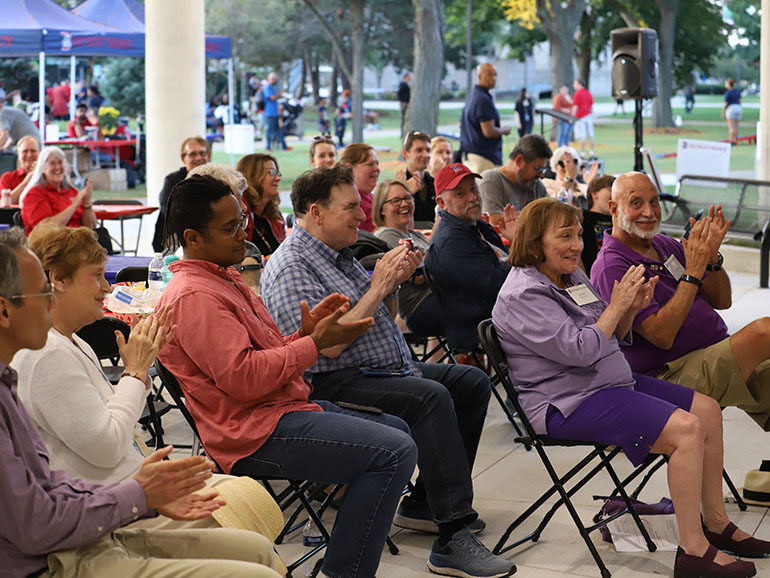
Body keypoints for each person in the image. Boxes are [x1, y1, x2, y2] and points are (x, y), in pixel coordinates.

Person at [156, 174, 417, 578]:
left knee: (397, 429)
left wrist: (307, 334)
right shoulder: (194, 295)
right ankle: (344, 571)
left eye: (242, 220)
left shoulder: (221, 276)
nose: (244, 234)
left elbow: (265, 354)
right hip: (251, 432)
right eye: (230, 228)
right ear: (192, 237)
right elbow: (244, 378)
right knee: (393, 451)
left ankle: (346, 554)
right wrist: (313, 344)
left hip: (279, 408)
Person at [261, 166, 515, 578]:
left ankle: (424, 503)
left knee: (470, 382)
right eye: (350, 207)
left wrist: (391, 284)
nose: (361, 216)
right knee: (429, 397)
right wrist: (378, 286)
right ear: (316, 212)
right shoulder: (293, 266)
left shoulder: (337, 253)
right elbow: (323, 347)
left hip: (379, 369)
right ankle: (452, 535)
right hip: (331, 380)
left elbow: (381, 318)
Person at [494, 196, 768, 578]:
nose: (577, 245)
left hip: (609, 383)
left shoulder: (569, 275)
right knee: (687, 432)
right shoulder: (523, 294)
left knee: (705, 409)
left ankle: (716, 523)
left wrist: (629, 311)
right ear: (535, 241)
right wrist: (615, 306)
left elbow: (615, 337)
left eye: (577, 234)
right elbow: (583, 350)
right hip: (568, 403)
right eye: (565, 237)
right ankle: (692, 551)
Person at [0, 228, 289, 578]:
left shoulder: (41, 361)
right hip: (56, 555)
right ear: (5, 310)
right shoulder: (44, 356)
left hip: (88, 523)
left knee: (255, 547)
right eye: (41, 290)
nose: (107, 287)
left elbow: (50, 483)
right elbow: (44, 514)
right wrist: (135, 374)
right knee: (257, 559)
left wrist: (144, 493)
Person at [591, 171, 770, 432]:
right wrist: (693, 273)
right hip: (669, 375)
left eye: (654, 202)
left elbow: (723, 301)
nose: (649, 212)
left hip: (716, 355)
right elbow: (662, 336)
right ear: (613, 208)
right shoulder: (612, 265)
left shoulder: (664, 245)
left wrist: (712, 261)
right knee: (764, 332)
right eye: (636, 203)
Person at [424, 163, 517, 353]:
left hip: (508, 312)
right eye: (460, 194)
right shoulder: (451, 242)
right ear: (442, 203)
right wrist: (523, 249)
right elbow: (499, 286)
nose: (472, 197)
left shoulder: (477, 227)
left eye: (474, 189)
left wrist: (517, 246)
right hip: (486, 326)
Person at [373, 179, 443, 336]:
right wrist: (436, 239)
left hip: (439, 296)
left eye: (407, 198)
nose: (404, 204)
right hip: (420, 307)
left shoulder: (415, 235)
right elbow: (417, 276)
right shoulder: (385, 236)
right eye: (396, 201)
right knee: (480, 306)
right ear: (381, 209)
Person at [478, 133, 551, 229]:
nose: (541, 175)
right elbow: (494, 221)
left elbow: (552, 215)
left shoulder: (536, 184)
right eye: (537, 168)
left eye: (543, 170)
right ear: (519, 161)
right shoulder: (490, 180)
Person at [152, 136, 210, 253]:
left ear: (208, 156)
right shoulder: (173, 181)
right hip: (176, 236)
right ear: (184, 158)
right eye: (193, 154)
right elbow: (171, 212)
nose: (198, 158)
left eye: (202, 153)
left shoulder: (215, 179)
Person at [20, 147, 96, 234]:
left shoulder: (72, 191)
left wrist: (87, 203)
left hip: (78, 241)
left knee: (102, 234)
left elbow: (91, 228)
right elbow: (45, 230)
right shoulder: (35, 194)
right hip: (52, 244)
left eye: (60, 162)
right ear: (42, 169)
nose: (58, 167)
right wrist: (74, 205)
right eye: (52, 163)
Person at [460, 63, 511, 174]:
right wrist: (504, 130)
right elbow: (489, 131)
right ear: (479, 76)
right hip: (484, 158)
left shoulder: (472, 95)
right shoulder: (483, 99)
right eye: (489, 75)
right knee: (489, 190)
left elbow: (461, 124)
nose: (494, 78)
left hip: (470, 155)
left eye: (495, 75)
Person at [235, 153, 286, 256]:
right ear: (253, 176)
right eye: (271, 173)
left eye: (278, 173)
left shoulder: (275, 216)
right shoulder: (240, 214)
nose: (278, 178)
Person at [337, 143, 380, 233]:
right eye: (370, 164)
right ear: (350, 169)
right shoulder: (352, 204)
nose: (377, 168)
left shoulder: (370, 197)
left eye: (377, 163)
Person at [396, 130, 436, 223]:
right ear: (405, 153)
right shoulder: (398, 187)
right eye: (419, 150)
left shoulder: (436, 184)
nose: (426, 155)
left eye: (428, 150)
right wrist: (406, 194)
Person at [580, 174, 614, 273]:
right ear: (594, 194)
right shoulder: (583, 218)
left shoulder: (620, 220)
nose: (615, 195)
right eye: (610, 190)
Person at [0, 135, 39, 204]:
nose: (29, 155)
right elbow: (3, 204)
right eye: (25, 151)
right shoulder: (7, 178)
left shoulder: (48, 177)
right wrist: (27, 181)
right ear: (18, 155)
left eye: (33, 151)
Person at [263, 72, 290, 152]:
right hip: (269, 113)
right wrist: (281, 94)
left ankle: (284, 146)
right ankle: (268, 147)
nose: (276, 81)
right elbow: (271, 97)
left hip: (274, 112)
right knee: (269, 131)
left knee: (279, 130)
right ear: (272, 79)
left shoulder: (272, 87)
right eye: (276, 80)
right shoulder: (267, 87)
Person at [571, 78, 594, 158]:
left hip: (580, 117)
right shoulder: (588, 93)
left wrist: (572, 117)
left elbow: (575, 107)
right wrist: (591, 115)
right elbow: (591, 106)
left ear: (579, 84)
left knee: (582, 135)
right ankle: (591, 152)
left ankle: (583, 153)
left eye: (575, 84)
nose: (574, 85)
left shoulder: (577, 94)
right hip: (588, 116)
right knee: (591, 135)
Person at [722, 78, 742, 146]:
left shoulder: (727, 92)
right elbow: (740, 101)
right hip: (738, 108)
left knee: (731, 127)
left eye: (726, 83)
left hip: (731, 109)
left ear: (728, 84)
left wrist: (723, 112)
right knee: (736, 127)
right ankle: (737, 142)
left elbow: (725, 104)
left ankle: (731, 142)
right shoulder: (737, 91)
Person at [398, 72, 411, 138]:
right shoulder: (403, 85)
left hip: (406, 104)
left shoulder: (405, 84)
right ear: (406, 77)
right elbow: (400, 94)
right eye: (409, 76)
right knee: (403, 119)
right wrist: (403, 102)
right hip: (404, 104)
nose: (410, 78)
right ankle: (402, 134)